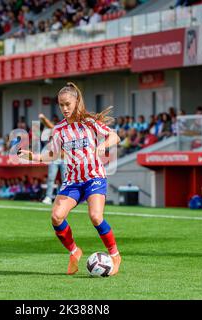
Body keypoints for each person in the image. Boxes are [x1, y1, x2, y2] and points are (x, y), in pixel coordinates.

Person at [18, 82, 122, 276]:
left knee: (96, 216)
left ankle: (115, 255)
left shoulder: (89, 122)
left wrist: (103, 145)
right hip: (73, 181)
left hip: (94, 177)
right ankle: (74, 251)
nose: (64, 108)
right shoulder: (59, 130)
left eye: (67, 104)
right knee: (56, 217)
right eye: (61, 105)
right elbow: (53, 154)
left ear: (76, 102)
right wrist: (34, 156)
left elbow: (115, 137)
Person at [39, 113, 66, 205]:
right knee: (51, 178)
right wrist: (43, 118)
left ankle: (65, 198)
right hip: (54, 158)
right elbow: (49, 124)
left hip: (65, 159)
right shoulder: (56, 130)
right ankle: (48, 197)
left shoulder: (69, 132)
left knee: (65, 180)